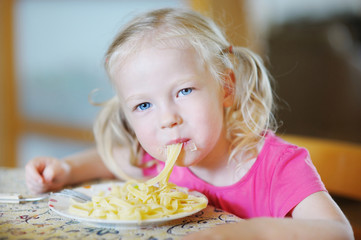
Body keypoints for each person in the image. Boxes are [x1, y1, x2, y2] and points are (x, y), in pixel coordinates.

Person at [25, 8, 353, 240]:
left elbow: (338, 232)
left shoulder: (276, 167)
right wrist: (65, 169)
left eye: (184, 90)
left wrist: (255, 232)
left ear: (226, 87)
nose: (168, 119)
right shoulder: (158, 161)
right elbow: (111, 158)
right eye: (143, 105)